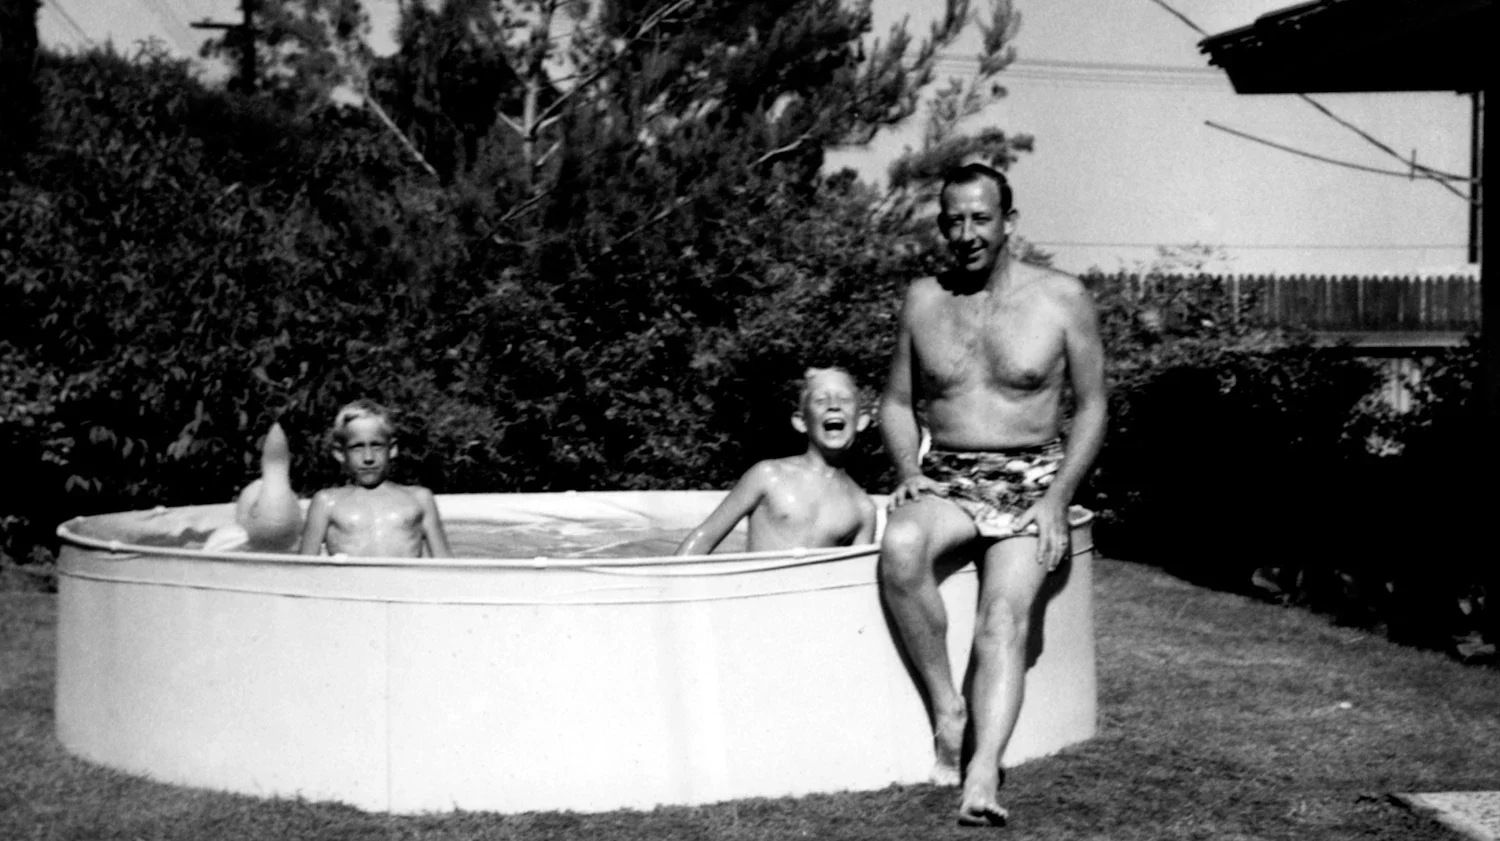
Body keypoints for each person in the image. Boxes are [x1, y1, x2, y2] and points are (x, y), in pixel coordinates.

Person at [878, 162, 1107, 827]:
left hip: (1031, 481)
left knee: (1002, 619)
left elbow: (1093, 407)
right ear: (941, 224)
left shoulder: (1062, 297)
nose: (967, 233)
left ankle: (982, 771)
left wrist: (1060, 495)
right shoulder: (923, 299)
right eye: (954, 220)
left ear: (1009, 220)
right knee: (900, 544)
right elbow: (894, 402)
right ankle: (948, 707)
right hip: (947, 475)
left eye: (981, 218)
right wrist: (907, 468)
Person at [675, 367, 877, 555]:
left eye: (844, 399)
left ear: (861, 420)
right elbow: (704, 538)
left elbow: (856, 575)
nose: (834, 406)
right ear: (801, 422)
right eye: (820, 400)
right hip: (757, 591)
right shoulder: (768, 475)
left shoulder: (863, 508)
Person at [298, 399, 454, 559]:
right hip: (350, 583)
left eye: (377, 445)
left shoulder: (419, 499)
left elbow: (446, 565)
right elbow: (304, 568)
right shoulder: (326, 502)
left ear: (392, 449)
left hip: (404, 583)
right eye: (357, 447)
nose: (368, 458)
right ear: (340, 453)